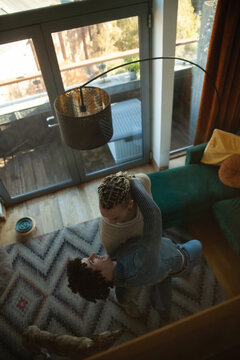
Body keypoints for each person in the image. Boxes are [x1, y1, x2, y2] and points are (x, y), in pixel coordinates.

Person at [67, 176, 202, 319]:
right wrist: (134, 182)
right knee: (197, 245)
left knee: (157, 280)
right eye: (92, 261)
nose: (93, 254)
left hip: (156, 262)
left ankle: (160, 306)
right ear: (102, 277)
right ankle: (164, 312)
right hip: (179, 258)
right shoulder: (139, 263)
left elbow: (123, 289)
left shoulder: (115, 272)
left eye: (89, 257)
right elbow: (154, 215)